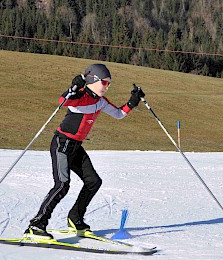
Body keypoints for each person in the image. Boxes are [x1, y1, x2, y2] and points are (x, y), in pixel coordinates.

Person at [24, 63, 145, 240]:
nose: (107, 87)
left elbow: (119, 114)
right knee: (62, 185)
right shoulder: (79, 96)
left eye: (108, 84)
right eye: (104, 82)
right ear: (93, 80)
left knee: (93, 181)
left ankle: (75, 218)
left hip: (76, 147)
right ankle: (36, 225)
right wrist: (74, 87)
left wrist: (132, 102)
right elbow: (63, 101)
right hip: (62, 144)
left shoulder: (100, 101)